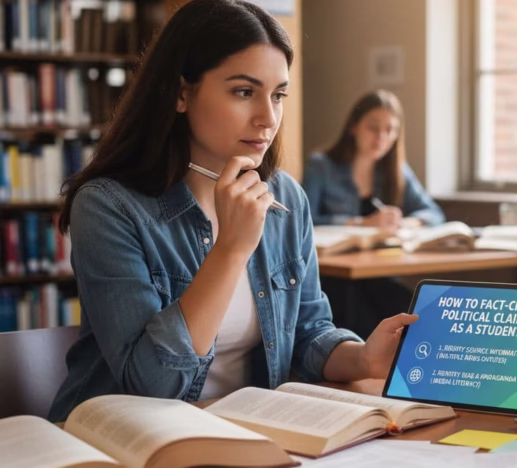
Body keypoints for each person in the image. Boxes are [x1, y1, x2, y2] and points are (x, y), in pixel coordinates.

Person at [48, 0, 415, 423]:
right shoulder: (109, 206)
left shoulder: (286, 198)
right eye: (244, 92)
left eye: (277, 95)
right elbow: (151, 385)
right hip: (128, 436)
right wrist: (230, 250)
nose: (268, 118)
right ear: (181, 93)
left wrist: (363, 357)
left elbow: (309, 333)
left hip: (247, 430)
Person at [301, 90, 445, 338]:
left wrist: (406, 222)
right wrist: (363, 223)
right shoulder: (321, 165)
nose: (381, 137)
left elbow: (433, 213)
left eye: (390, 130)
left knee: (417, 314)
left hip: (378, 273)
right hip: (334, 279)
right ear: (354, 127)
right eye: (373, 128)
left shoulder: (396, 170)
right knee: (361, 317)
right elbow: (304, 221)